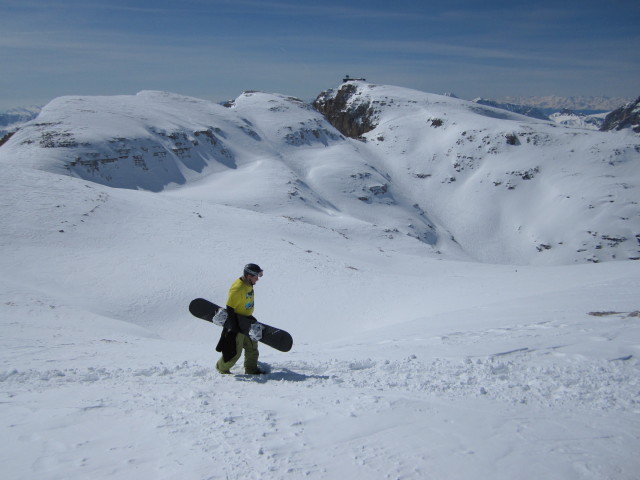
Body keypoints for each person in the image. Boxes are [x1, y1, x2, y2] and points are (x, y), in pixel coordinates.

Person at [215, 263, 265, 375]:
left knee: (252, 346)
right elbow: (230, 307)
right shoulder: (237, 288)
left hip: (248, 320)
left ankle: (251, 369)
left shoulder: (249, 283)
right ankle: (221, 368)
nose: (258, 279)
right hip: (238, 322)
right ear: (248, 276)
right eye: (256, 276)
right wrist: (234, 327)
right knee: (234, 352)